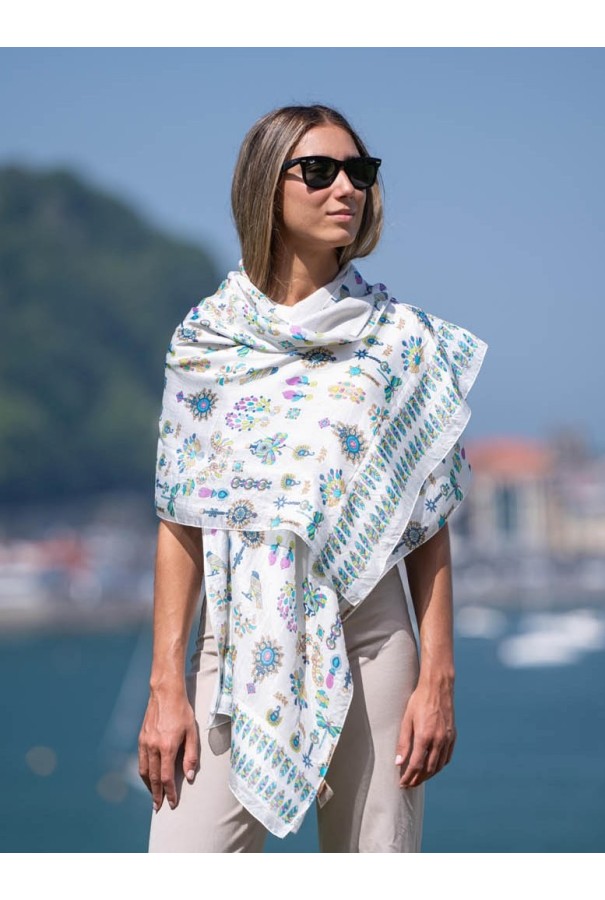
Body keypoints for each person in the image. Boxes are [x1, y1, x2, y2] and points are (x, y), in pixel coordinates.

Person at [139, 103, 488, 852]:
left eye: (359, 171)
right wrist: (166, 684)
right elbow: (181, 519)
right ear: (265, 185)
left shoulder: (401, 342)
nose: (346, 189)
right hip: (234, 645)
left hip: (372, 640)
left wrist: (438, 678)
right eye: (320, 171)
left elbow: (427, 523)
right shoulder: (208, 341)